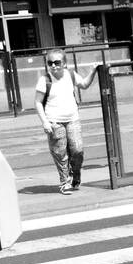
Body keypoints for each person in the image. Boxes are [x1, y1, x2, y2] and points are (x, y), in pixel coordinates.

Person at [34, 50, 98, 194]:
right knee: (60, 153)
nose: (54, 66)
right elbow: (38, 102)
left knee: (77, 150)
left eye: (57, 62)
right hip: (54, 121)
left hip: (72, 119)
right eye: (50, 63)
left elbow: (84, 85)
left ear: (64, 63)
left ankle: (76, 174)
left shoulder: (71, 75)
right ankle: (65, 182)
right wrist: (45, 122)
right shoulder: (44, 80)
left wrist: (93, 71)